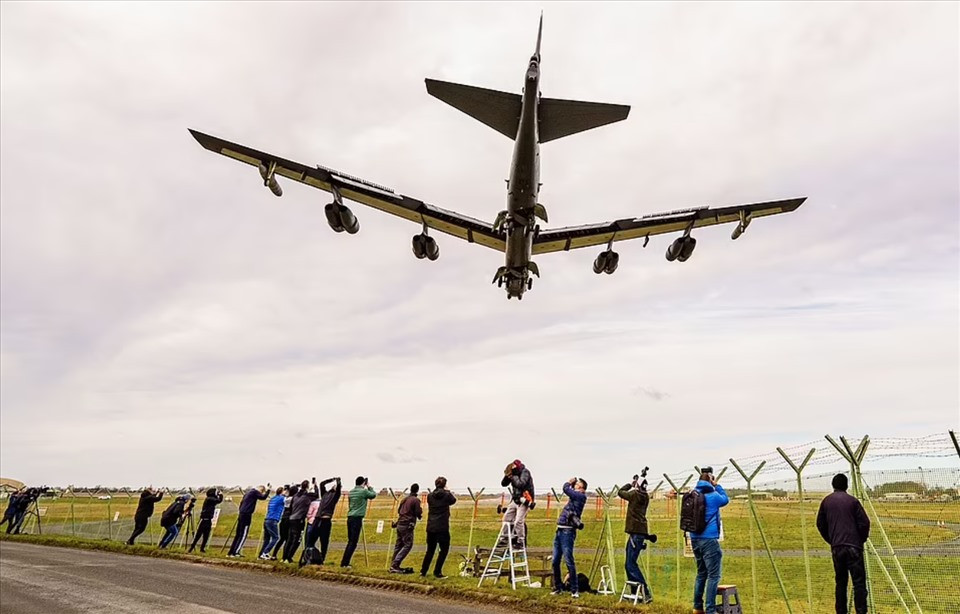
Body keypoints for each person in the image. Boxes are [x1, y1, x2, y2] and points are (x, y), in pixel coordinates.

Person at [817, 473, 871, 614]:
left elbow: (820, 524)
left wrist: (831, 539)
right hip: (854, 546)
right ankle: (861, 611)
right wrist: (861, 539)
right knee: (859, 583)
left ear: (833, 485)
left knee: (841, 582)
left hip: (837, 547)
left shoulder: (826, 502)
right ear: (846, 485)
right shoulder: (853, 501)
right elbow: (864, 523)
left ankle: (841, 611)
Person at [689, 467, 729, 614]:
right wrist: (717, 485)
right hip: (709, 539)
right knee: (714, 575)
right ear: (710, 480)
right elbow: (725, 499)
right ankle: (710, 609)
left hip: (694, 538)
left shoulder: (693, 494)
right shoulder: (713, 495)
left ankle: (697, 607)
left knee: (701, 574)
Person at [618, 474, 655, 603]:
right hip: (640, 533)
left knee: (630, 564)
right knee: (629, 564)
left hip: (635, 533)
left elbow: (620, 492)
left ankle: (645, 592)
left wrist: (630, 484)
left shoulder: (634, 494)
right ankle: (635, 593)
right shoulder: (645, 497)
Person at [551, 477, 588, 598]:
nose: (575, 486)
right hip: (560, 529)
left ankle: (574, 590)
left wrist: (569, 482)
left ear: (581, 488)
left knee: (568, 560)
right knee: (555, 561)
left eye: (577, 485)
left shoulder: (580, 496)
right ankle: (558, 587)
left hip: (568, 531)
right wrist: (573, 485)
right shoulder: (576, 497)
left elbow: (565, 488)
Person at [421, 476, 457, 578]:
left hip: (431, 526)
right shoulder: (447, 495)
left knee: (430, 550)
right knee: (444, 550)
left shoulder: (430, 496)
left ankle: (423, 571)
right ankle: (437, 571)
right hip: (442, 526)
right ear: (444, 485)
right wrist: (447, 491)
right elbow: (453, 501)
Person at [341, 476, 377, 568]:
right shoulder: (363, 491)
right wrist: (369, 486)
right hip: (357, 518)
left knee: (350, 541)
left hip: (350, 516)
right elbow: (373, 495)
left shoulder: (351, 492)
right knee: (353, 542)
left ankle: (344, 562)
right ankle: (345, 563)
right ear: (363, 483)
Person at [500, 459, 535, 548]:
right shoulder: (513, 474)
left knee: (518, 521)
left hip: (524, 500)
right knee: (506, 519)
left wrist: (514, 476)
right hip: (515, 499)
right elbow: (503, 484)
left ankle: (521, 541)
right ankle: (504, 538)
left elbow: (521, 484)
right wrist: (507, 476)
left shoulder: (525, 472)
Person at [389, 483, 423, 574]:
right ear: (417, 490)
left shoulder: (404, 499)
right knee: (408, 545)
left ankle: (393, 564)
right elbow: (418, 512)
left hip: (400, 524)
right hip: (407, 525)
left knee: (399, 545)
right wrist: (420, 515)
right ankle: (395, 564)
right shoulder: (415, 500)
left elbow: (399, 511)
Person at [283, 479, 319, 563]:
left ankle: (284, 557)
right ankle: (289, 557)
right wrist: (315, 486)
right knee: (297, 539)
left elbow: (291, 507)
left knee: (290, 538)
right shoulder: (307, 496)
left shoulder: (295, 495)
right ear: (307, 487)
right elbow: (317, 495)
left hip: (292, 518)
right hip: (299, 519)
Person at [307, 477, 341, 564]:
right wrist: (331, 480)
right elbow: (322, 484)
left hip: (325, 520)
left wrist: (338, 482)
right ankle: (309, 557)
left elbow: (338, 489)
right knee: (311, 540)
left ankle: (322, 559)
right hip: (318, 519)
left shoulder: (335, 496)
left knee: (324, 542)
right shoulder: (325, 494)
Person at [227, 485, 268, 557]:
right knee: (243, 534)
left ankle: (231, 552)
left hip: (241, 513)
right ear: (261, 490)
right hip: (247, 515)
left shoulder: (247, 493)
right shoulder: (255, 492)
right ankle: (236, 552)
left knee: (238, 534)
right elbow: (263, 497)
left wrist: (240, 511)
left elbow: (241, 503)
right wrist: (268, 491)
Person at [189, 487, 223, 553]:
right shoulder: (209, 499)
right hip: (204, 520)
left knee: (206, 535)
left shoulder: (210, 499)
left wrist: (218, 495)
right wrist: (221, 495)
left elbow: (216, 501)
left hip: (208, 519)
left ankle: (202, 548)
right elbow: (218, 501)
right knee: (198, 535)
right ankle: (192, 547)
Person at [271, 484, 297, 560]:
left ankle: (274, 554)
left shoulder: (285, 498)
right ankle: (285, 556)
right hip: (289, 518)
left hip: (283, 518)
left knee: (282, 538)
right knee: (288, 539)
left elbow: (284, 494)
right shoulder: (293, 499)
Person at [259, 486, 286, 559]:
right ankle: (265, 552)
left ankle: (261, 554)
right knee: (275, 537)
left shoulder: (273, 498)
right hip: (273, 520)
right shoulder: (282, 498)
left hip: (267, 519)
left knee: (267, 539)